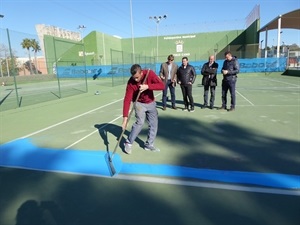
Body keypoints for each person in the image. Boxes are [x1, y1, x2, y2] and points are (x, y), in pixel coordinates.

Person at [122, 64, 165, 154]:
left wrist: (148, 86)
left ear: (141, 73)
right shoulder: (131, 82)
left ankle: (149, 144)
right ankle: (128, 142)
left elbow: (162, 86)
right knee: (140, 122)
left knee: (154, 124)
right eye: (134, 78)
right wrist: (125, 118)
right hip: (139, 103)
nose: (136, 80)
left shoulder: (149, 73)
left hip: (151, 102)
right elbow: (127, 99)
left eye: (137, 77)